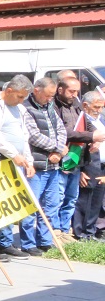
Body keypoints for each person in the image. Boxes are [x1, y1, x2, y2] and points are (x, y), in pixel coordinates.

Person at [0, 75, 35, 257]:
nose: (22, 101)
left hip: (17, 160)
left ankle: (6, 241)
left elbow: (23, 135)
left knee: (10, 203)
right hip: (2, 160)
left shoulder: (19, 108)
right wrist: (14, 154)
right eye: (20, 96)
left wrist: (28, 160)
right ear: (9, 90)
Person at [55, 76, 104, 243]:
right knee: (72, 200)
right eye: (72, 91)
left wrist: (94, 138)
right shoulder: (57, 107)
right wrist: (92, 137)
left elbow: (92, 131)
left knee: (86, 200)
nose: (75, 94)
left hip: (93, 164)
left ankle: (84, 232)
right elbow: (67, 133)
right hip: (75, 162)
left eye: (77, 91)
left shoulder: (78, 108)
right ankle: (69, 232)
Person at [21, 77, 66, 255]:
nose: (49, 99)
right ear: (36, 90)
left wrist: (60, 149)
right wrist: (57, 148)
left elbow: (61, 129)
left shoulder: (50, 107)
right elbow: (33, 136)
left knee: (51, 206)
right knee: (31, 205)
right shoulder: (26, 108)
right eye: (47, 96)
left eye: (52, 96)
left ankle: (45, 241)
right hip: (37, 165)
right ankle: (28, 243)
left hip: (53, 166)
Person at [74, 89, 105, 240]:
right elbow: (76, 146)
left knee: (96, 201)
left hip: (101, 165)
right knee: (85, 201)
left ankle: (91, 232)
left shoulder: (100, 119)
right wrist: (80, 170)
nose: (99, 110)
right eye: (96, 107)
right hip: (89, 164)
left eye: (101, 107)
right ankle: (81, 233)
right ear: (85, 105)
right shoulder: (82, 121)